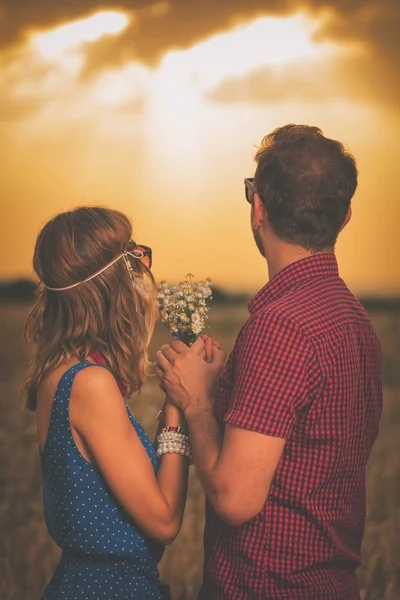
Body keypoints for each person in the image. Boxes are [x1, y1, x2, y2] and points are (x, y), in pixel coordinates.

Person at [155, 124, 383, 599]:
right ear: (343, 219)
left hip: (264, 588)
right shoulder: (354, 320)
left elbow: (235, 500)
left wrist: (196, 401)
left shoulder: (280, 326)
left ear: (258, 209)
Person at [24, 206, 193, 600]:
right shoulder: (90, 384)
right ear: (113, 287)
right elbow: (165, 520)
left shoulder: (59, 374)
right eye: (134, 261)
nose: (143, 275)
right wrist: (179, 404)